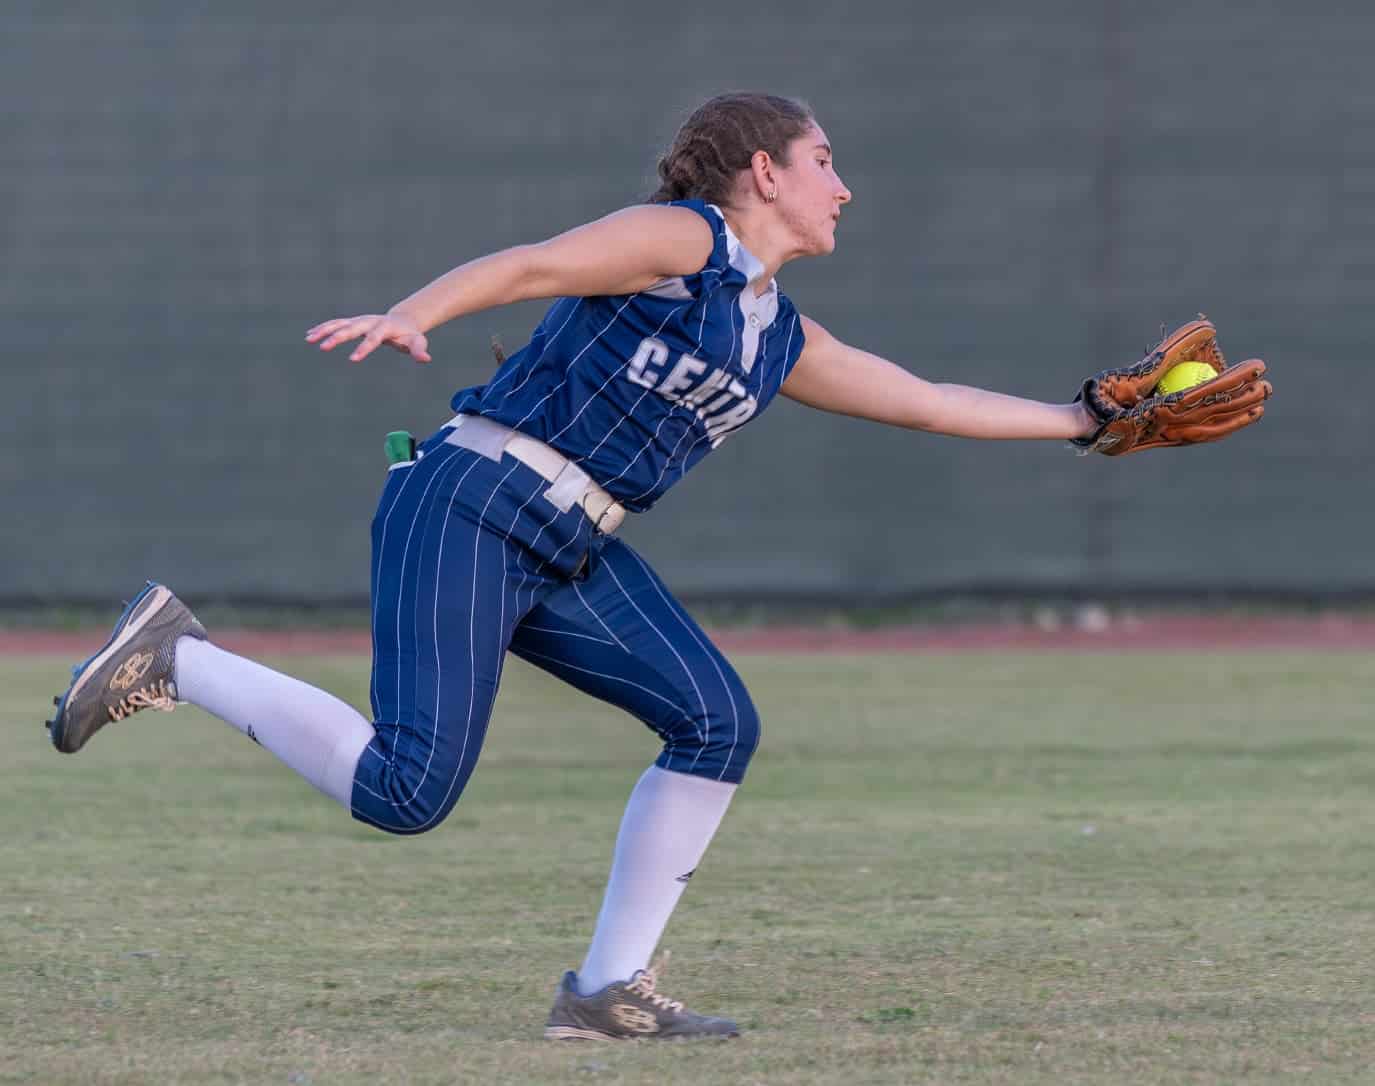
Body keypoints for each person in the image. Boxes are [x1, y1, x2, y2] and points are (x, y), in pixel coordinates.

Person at [47, 92, 1104, 1041]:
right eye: (822, 158)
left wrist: (1081, 420)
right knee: (405, 792)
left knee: (716, 722)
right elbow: (535, 266)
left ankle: (607, 990)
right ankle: (179, 658)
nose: (845, 185)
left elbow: (923, 399)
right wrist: (415, 313)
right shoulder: (684, 237)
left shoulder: (775, 333)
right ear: (764, 173)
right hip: (468, 499)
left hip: (568, 541)